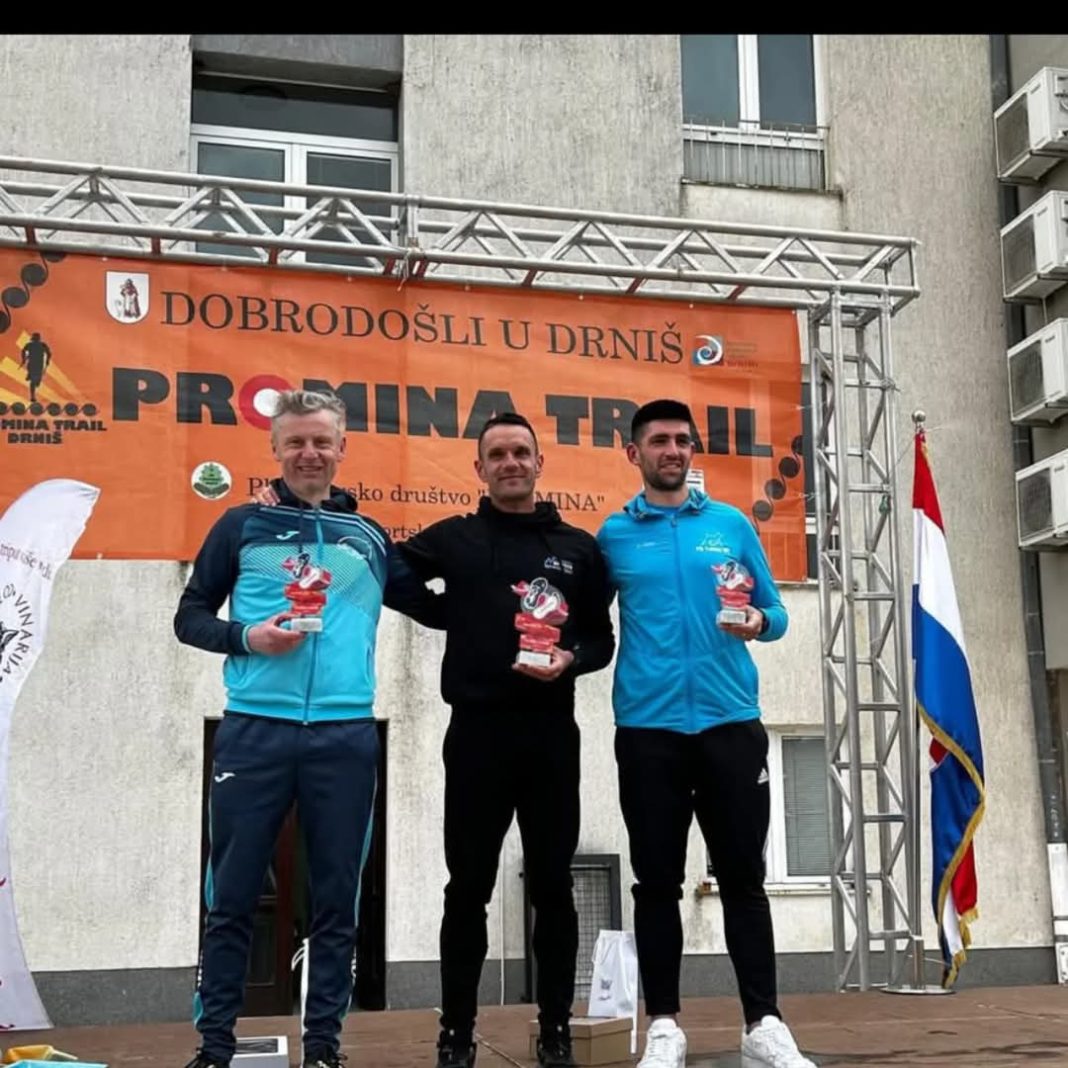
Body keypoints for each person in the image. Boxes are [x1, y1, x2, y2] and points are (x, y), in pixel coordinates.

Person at [174, 389, 443, 1068]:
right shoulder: (241, 525)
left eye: (321, 441)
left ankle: (323, 1047)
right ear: (275, 449)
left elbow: (435, 607)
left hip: (344, 736)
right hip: (254, 730)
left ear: (342, 448)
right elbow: (190, 616)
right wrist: (248, 636)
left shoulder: (367, 538)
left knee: (336, 899)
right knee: (232, 895)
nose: (309, 453)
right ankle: (215, 1047)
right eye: (294, 441)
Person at [596, 399, 815, 1068]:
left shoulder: (729, 524)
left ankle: (764, 1024)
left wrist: (760, 623)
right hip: (648, 730)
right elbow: (582, 623)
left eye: (682, 441)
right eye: (659, 440)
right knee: (656, 883)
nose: (672, 450)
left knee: (744, 880)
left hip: (730, 725)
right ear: (634, 453)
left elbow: (776, 611)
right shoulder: (613, 536)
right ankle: (664, 1025)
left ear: (693, 451)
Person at [397, 412, 615, 1068]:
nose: (511, 463)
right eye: (498, 455)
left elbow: (601, 639)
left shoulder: (578, 549)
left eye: (521, 452)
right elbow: (390, 574)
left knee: (553, 887)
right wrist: (449, 613)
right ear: (480, 469)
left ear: (539, 463)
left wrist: (570, 659)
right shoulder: (454, 538)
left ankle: (556, 1030)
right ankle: (456, 1033)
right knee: (467, 888)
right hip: (476, 737)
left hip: (550, 737)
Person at [19, 332, 51, 403]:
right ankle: (32, 396)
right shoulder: (31, 345)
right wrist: (23, 359)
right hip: (33, 365)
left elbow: (48, 353)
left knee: (37, 382)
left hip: (38, 365)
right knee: (33, 381)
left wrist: (47, 360)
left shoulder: (41, 345)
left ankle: (31, 376)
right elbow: (23, 351)